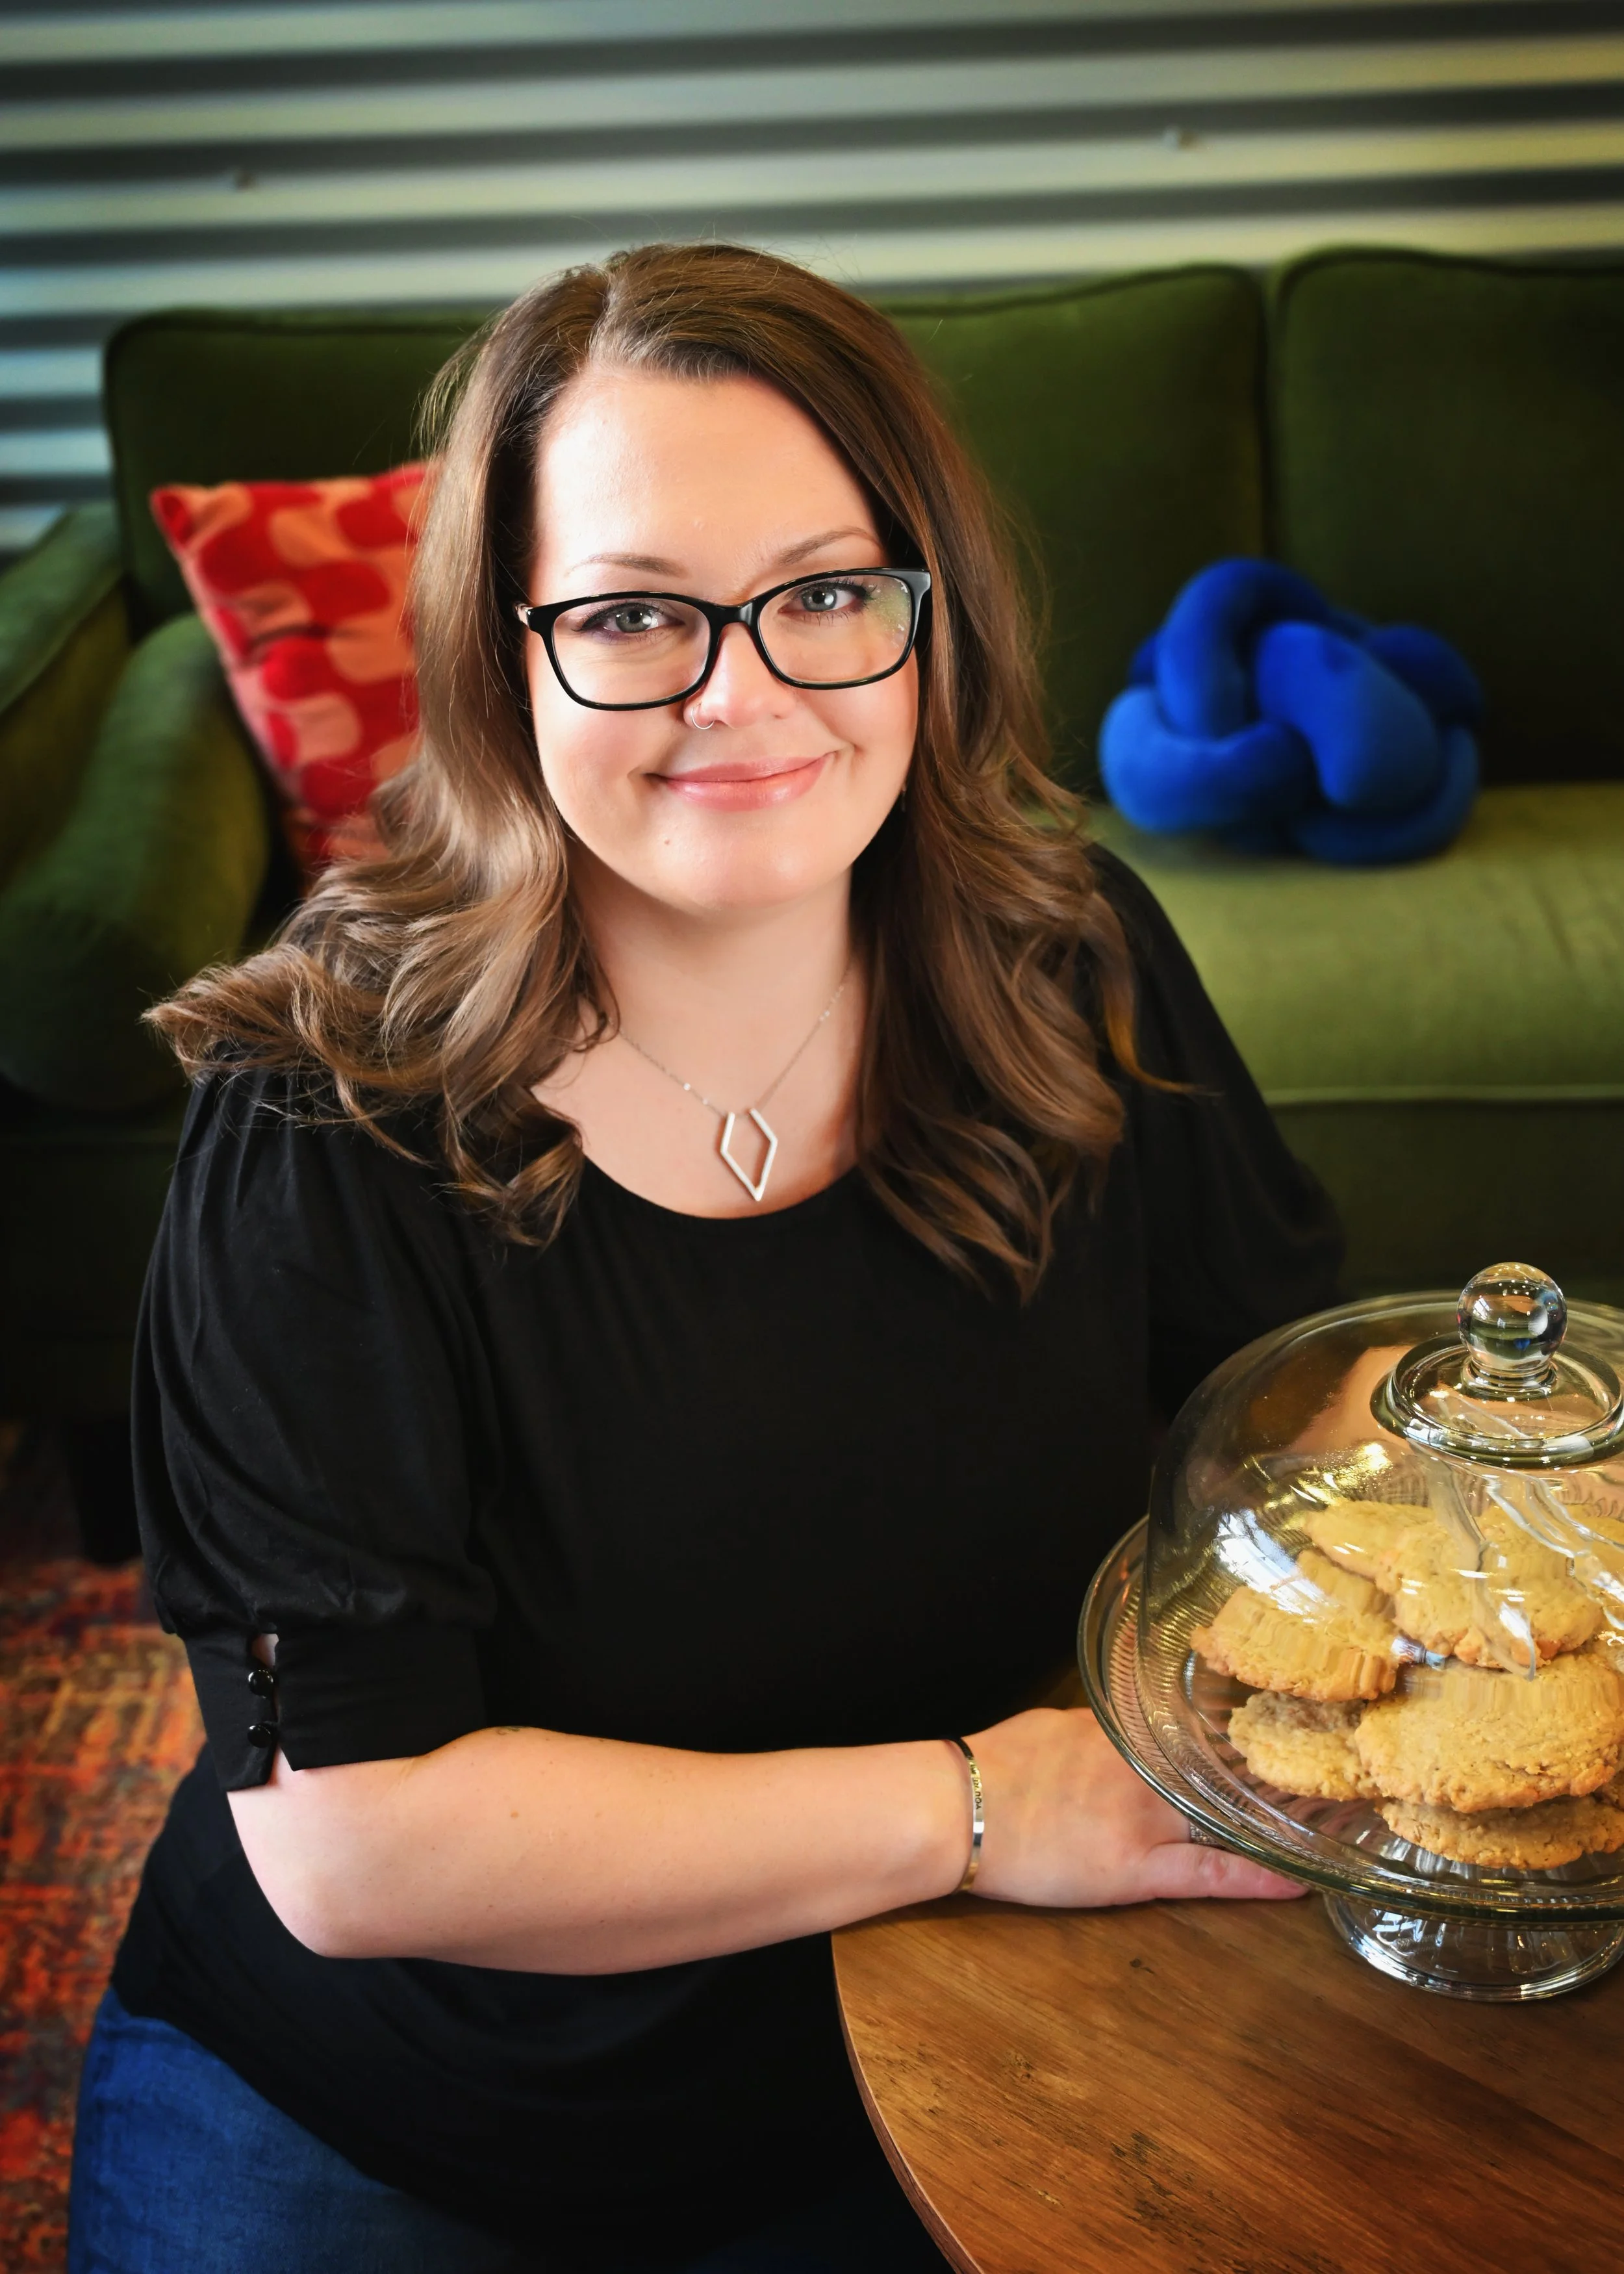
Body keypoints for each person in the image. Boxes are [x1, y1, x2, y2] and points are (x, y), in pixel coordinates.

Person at [69, 242, 1341, 2274]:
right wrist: (986, 1805)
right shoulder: (322, 1110)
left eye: (828, 593)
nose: (743, 692)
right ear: (503, 651)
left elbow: (1276, 1398)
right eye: (640, 611)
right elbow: (360, 1837)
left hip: (933, 2047)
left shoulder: (1070, 955)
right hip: (403, 2123)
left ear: (932, 622)